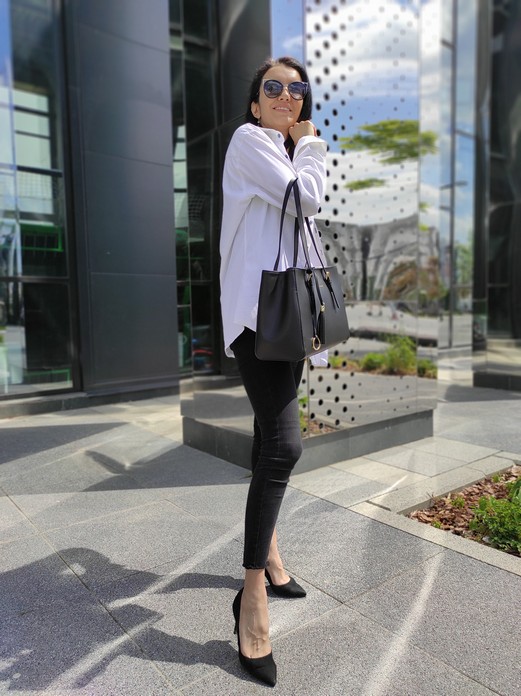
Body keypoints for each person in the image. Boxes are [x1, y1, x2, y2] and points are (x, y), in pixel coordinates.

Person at [219, 56, 327, 687]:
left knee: (268, 439)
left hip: (289, 319)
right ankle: (251, 595)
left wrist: (300, 150)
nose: (288, 95)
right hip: (257, 322)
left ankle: (274, 555)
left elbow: (300, 222)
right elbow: (303, 198)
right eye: (274, 88)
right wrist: (310, 145)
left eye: (297, 88)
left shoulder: (283, 155)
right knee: (286, 446)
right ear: (257, 104)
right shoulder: (250, 140)